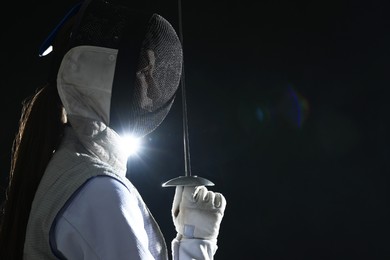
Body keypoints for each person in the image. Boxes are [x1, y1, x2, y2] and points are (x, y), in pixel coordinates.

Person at [0, 0, 226, 259]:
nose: (152, 86)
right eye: (143, 71)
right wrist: (197, 244)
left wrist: (194, 237)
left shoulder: (69, 171)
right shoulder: (99, 193)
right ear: (103, 78)